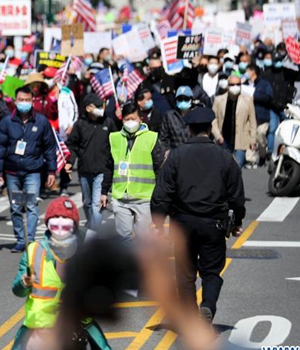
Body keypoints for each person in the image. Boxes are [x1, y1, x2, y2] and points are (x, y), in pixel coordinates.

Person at [151, 107, 246, 322]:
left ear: (189, 129)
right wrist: (237, 220)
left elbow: (162, 192)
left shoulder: (176, 156)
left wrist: (157, 221)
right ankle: (208, 305)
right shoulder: (225, 157)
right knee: (211, 272)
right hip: (214, 223)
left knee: (185, 275)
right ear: (211, 129)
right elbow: (237, 195)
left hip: (182, 223)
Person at [9, 197, 116, 350]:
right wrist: (24, 283)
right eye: (55, 221)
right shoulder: (34, 250)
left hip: (73, 331)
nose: (60, 227)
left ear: (74, 224)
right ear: (47, 224)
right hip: (41, 333)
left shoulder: (85, 251)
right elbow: (17, 290)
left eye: (66, 220)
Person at [0, 86, 58, 253]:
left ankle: (31, 241)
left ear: (32, 101)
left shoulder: (41, 122)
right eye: (21, 100)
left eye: (27, 100)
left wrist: (51, 171)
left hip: (33, 171)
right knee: (15, 207)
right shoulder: (7, 122)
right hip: (12, 171)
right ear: (15, 101)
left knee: (31, 206)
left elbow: (49, 148)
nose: (24, 103)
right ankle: (20, 240)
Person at [103, 103, 165, 243]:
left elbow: (159, 167)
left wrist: (160, 195)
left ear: (140, 119)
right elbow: (109, 166)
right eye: (126, 119)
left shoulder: (151, 138)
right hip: (120, 197)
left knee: (144, 239)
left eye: (133, 119)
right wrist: (104, 191)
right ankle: (128, 264)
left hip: (144, 198)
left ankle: (142, 263)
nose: (129, 122)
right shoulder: (114, 138)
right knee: (124, 238)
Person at [65, 94, 117, 230]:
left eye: (102, 105)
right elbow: (72, 145)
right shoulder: (80, 125)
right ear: (88, 108)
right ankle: (91, 223)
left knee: (96, 204)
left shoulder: (108, 123)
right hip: (84, 171)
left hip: (102, 170)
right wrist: (70, 161)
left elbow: (117, 143)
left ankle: (95, 233)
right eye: (97, 106)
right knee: (87, 203)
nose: (101, 108)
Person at [212, 75, 257, 168]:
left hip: (241, 141)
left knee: (237, 167)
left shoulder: (248, 100)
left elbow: (252, 121)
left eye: (238, 84)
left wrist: (252, 140)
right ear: (228, 86)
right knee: (222, 167)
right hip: (223, 140)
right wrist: (218, 136)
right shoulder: (219, 100)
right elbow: (213, 119)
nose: (235, 87)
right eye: (232, 84)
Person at [244, 65, 274, 166]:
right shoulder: (244, 84)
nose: (246, 73)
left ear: (253, 72)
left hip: (261, 115)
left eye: (248, 70)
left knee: (260, 135)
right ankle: (251, 160)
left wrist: (255, 97)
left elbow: (268, 97)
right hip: (248, 116)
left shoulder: (264, 84)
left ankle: (263, 154)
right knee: (250, 137)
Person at [159, 86, 196, 152]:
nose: (183, 101)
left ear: (191, 100)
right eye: (180, 99)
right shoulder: (169, 116)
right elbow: (163, 138)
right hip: (175, 156)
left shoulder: (197, 115)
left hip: (192, 154)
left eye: (186, 99)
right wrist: (166, 151)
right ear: (176, 101)